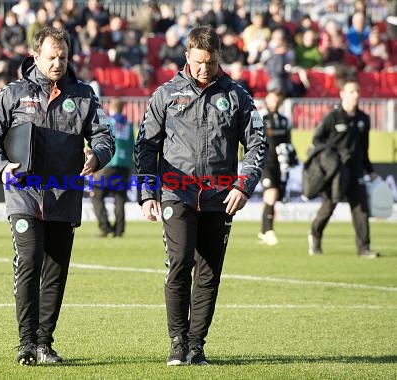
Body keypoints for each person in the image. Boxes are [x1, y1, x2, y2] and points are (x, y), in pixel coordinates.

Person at [0, 26, 114, 366]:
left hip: (64, 194)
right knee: (29, 260)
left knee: (55, 270)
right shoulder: (12, 93)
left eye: (63, 57)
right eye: (51, 57)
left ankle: (44, 343)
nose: (57, 63)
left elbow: (105, 136)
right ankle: (26, 343)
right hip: (23, 192)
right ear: (35, 56)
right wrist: (1, 167)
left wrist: (97, 155)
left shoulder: (84, 95)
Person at [134, 26, 267, 366]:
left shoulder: (238, 96)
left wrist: (243, 185)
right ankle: (177, 342)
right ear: (187, 56)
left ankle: (196, 345)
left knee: (208, 273)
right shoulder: (165, 94)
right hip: (175, 194)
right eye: (197, 62)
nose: (204, 69)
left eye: (210, 62)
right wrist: (148, 192)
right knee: (180, 264)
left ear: (219, 57)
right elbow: (146, 145)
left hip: (219, 197)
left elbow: (256, 144)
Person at [308, 79, 379, 258]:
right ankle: (315, 236)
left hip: (356, 170)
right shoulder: (332, 117)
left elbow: (364, 148)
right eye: (351, 91)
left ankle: (364, 248)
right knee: (329, 206)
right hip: (336, 172)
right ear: (342, 94)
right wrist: (329, 158)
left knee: (361, 209)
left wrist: (369, 170)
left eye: (357, 91)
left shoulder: (364, 119)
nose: (356, 95)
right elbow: (317, 140)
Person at [258, 90, 297, 246]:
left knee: (271, 198)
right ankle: (269, 231)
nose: (274, 103)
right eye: (271, 100)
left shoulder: (284, 120)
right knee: (271, 194)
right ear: (267, 100)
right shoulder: (260, 116)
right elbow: (253, 137)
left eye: (277, 100)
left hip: (279, 163)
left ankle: (262, 231)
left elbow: (288, 142)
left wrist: (290, 155)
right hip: (263, 161)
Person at [91, 98, 134, 238]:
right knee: (119, 198)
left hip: (110, 164)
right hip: (125, 165)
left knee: (96, 195)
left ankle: (105, 227)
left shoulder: (108, 121)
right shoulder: (128, 124)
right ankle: (119, 230)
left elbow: (102, 141)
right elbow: (133, 145)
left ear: (111, 108)